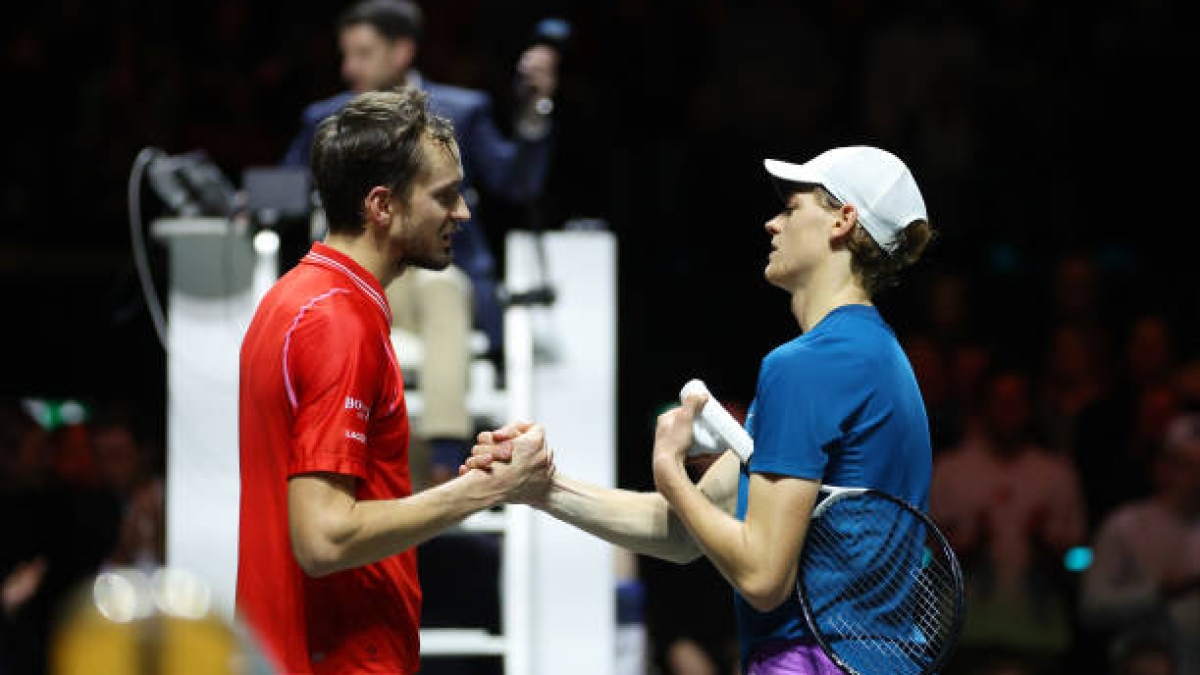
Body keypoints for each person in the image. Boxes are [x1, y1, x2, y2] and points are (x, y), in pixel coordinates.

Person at [464, 146, 936, 674]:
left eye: (792, 208)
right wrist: (541, 488)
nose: (772, 222)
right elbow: (683, 532)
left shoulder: (809, 366)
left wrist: (670, 472)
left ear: (842, 220)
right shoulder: (876, 357)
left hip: (812, 662)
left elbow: (761, 576)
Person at [236, 86, 553, 675]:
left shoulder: (296, 300)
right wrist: (483, 490)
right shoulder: (337, 322)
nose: (461, 212)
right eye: (445, 195)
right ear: (383, 205)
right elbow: (324, 538)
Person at [283, 0, 560, 479]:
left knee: (443, 290)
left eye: (362, 54)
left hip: (432, 277)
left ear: (402, 51)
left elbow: (519, 183)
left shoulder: (461, 111)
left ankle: (446, 459)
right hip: (356, 278)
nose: (348, 68)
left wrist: (534, 113)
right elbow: (280, 192)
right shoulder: (326, 120)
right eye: (346, 54)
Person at [1080, 413, 1200, 675]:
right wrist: (1158, 593)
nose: (1196, 477)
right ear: (1164, 467)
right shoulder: (1125, 524)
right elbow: (1092, 606)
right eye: (1187, 465)